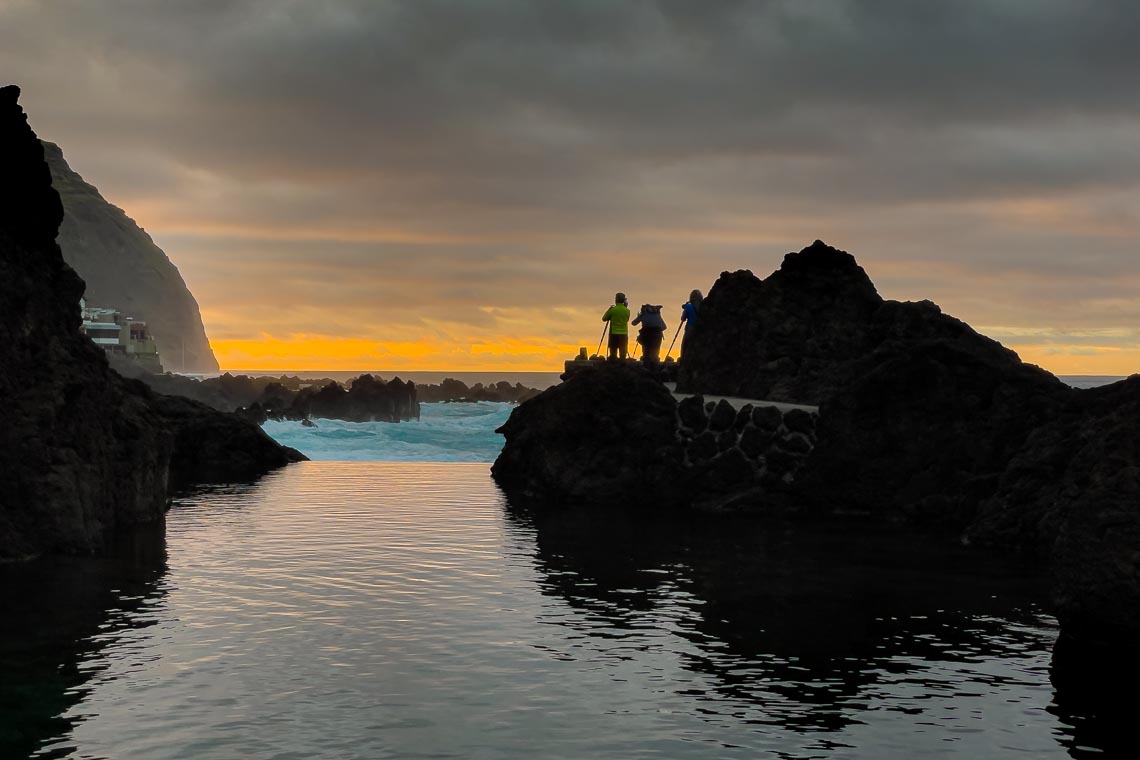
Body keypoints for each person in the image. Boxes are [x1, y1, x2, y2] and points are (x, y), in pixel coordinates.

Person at [601, 292, 630, 360]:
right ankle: (623, 366)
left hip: (613, 333)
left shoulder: (613, 310)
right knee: (623, 354)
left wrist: (609, 309)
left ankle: (613, 366)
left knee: (613, 353)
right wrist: (625, 307)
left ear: (616, 300)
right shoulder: (627, 311)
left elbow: (604, 318)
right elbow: (627, 319)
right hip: (623, 333)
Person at [679, 289, 703, 357]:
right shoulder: (703, 306)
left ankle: (683, 358)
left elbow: (683, 319)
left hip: (690, 328)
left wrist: (685, 309)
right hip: (700, 329)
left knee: (685, 344)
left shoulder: (688, 306)